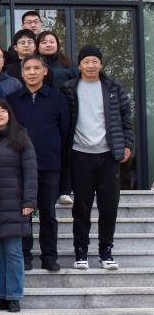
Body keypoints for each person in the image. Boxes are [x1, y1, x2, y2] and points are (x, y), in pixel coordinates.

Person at [62, 46, 133, 270]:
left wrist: (127, 144)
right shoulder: (69, 88)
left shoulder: (113, 87)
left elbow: (126, 117)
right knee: (81, 208)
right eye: (86, 61)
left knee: (109, 207)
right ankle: (80, 251)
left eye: (95, 61)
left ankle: (106, 251)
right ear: (79, 65)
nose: (91, 65)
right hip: (79, 154)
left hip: (108, 155)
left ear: (101, 64)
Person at [8, 55, 70, 272]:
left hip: (49, 164)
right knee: (23, 213)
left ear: (45, 71)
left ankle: (49, 256)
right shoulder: (12, 100)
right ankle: (25, 256)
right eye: (28, 69)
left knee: (48, 213)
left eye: (36, 68)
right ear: (22, 73)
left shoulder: (58, 99)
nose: (32, 72)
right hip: (19, 166)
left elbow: (65, 132)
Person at [0, 99, 37, 313]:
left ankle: (13, 296)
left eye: (2, 110)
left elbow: (30, 171)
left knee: (13, 252)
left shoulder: (20, 136)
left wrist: (29, 201)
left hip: (14, 203)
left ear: (9, 113)